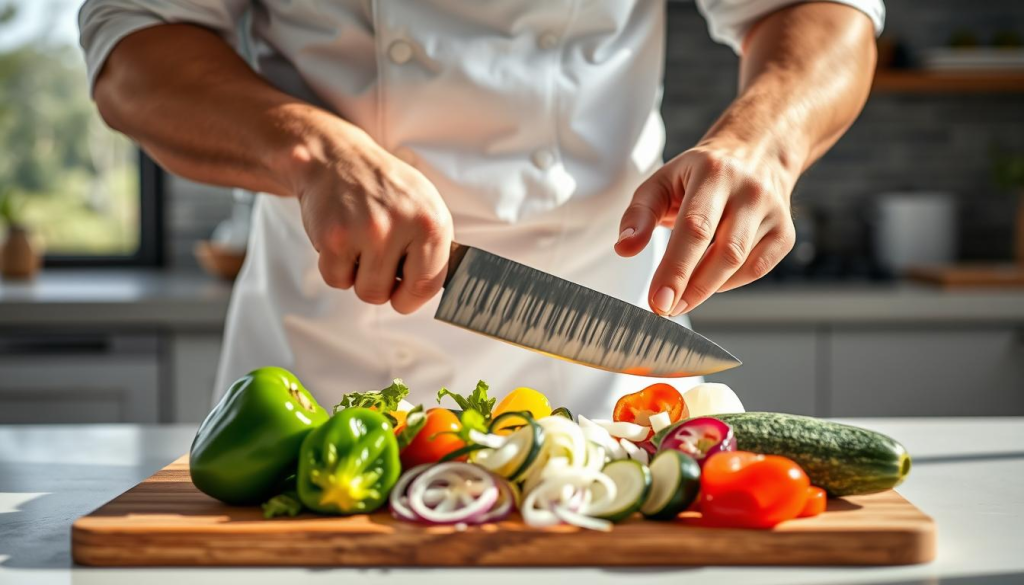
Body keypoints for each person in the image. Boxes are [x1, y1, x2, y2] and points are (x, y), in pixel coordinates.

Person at [79, 0, 883, 415]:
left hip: (602, 384)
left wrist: (760, 142)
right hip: (324, 385)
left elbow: (820, 13)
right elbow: (137, 45)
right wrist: (312, 150)